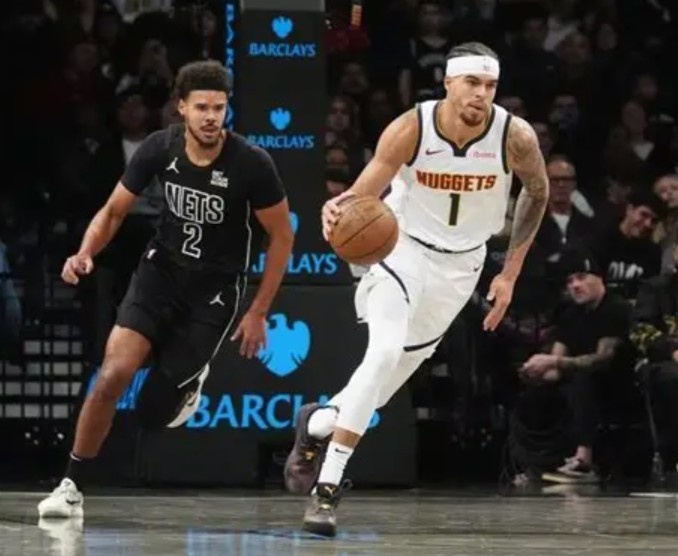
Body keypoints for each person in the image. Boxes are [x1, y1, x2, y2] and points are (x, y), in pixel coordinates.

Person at [284, 42, 549, 537]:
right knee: (382, 353)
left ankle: (316, 424)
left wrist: (510, 273)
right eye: (472, 83)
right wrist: (339, 208)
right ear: (448, 83)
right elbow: (364, 192)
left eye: (490, 85)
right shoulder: (412, 127)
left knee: (380, 389)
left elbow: (538, 192)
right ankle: (327, 490)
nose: (482, 94)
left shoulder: (514, 136)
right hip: (400, 249)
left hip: (462, 265)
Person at [38, 60, 294, 518]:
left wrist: (258, 310)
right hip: (161, 275)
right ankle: (70, 486)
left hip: (214, 292)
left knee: (154, 410)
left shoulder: (252, 164)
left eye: (219, 107)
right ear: (182, 108)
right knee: (112, 376)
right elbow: (114, 211)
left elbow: (282, 237)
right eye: (202, 107)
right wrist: (85, 252)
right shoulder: (160, 147)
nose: (211, 117)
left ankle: (187, 382)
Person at [519, 249, 634, 483]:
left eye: (581, 277)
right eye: (570, 281)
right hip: (578, 380)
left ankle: (584, 461)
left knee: (584, 379)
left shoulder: (615, 308)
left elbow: (603, 359)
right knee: (534, 393)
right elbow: (555, 368)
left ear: (599, 278)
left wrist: (554, 362)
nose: (575, 286)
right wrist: (534, 370)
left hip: (618, 381)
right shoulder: (570, 314)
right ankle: (535, 464)